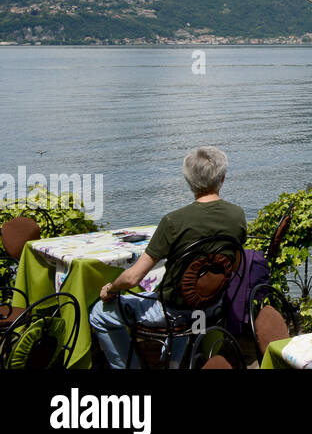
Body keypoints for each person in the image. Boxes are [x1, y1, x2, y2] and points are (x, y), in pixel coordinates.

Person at [89, 146, 247, 369]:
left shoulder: (173, 221)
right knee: (178, 292)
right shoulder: (237, 216)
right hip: (211, 306)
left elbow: (133, 278)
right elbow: (232, 262)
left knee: (99, 313)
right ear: (223, 178)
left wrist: (111, 289)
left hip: (174, 314)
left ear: (188, 181)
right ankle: (173, 363)